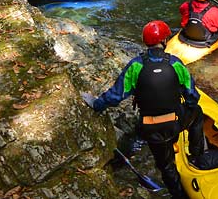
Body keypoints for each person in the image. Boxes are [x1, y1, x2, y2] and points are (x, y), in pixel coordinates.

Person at [82, 21, 205, 199]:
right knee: (198, 114)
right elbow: (193, 96)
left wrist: (96, 104)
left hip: (151, 129)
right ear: (164, 40)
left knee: (167, 167)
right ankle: (196, 156)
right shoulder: (176, 64)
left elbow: (115, 96)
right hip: (176, 122)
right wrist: (187, 107)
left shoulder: (136, 66)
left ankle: (178, 195)